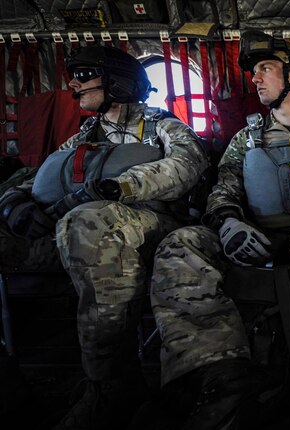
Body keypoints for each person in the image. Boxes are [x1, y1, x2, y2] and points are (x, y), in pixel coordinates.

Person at [148, 31, 290, 429]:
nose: (255, 79)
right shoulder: (245, 138)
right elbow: (224, 189)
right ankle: (218, 377)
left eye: (265, 69)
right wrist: (229, 224)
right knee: (179, 245)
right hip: (254, 237)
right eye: (254, 72)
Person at [0, 45, 208, 429]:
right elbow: (44, 173)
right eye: (73, 75)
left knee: (88, 222)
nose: (74, 84)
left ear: (116, 80)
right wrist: (15, 200)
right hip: (82, 220)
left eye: (84, 74)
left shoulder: (161, 124)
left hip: (153, 225)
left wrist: (118, 187)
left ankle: (111, 386)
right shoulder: (86, 134)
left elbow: (186, 164)